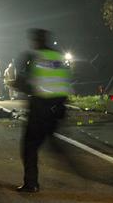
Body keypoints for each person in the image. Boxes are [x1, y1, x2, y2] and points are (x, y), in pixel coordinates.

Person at [15, 29, 72, 193]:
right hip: (57, 108)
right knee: (48, 141)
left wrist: (16, 83)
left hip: (39, 108)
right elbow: (66, 81)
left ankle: (31, 183)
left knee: (29, 146)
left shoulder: (33, 58)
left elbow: (24, 84)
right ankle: (64, 159)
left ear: (35, 41)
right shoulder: (59, 57)